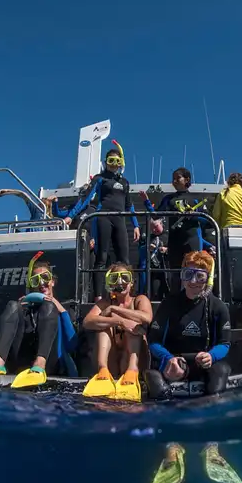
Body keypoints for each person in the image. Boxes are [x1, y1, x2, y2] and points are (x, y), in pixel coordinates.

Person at [145, 250, 242, 483]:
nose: (192, 281)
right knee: (152, 377)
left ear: (208, 279)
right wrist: (168, 359)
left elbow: (225, 343)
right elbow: (153, 340)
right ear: (181, 275)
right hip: (175, 362)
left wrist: (212, 355)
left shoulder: (218, 307)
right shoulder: (170, 303)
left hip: (204, 360)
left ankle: (212, 446)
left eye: (199, 276)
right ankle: (171, 446)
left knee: (221, 370)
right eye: (187, 274)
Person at [0, 258, 78, 389]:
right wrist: (19, 309)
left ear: (52, 282)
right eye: (36, 280)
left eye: (45, 278)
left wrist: (59, 309)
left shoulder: (63, 309)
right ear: (32, 285)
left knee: (48, 307)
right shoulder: (25, 309)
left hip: (50, 364)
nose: (41, 283)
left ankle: (39, 363)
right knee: (12, 305)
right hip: (21, 363)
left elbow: (72, 345)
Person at [62, 142, 141, 301]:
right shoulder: (100, 179)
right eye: (110, 161)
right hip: (103, 217)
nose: (113, 165)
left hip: (119, 219)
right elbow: (85, 199)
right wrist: (71, 215)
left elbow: (129, 205)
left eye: (116, 162)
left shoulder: (124, 182)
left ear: (120, 164)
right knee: (102, 257)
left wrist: (136, 225)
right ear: (105, 163)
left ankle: (127, 295)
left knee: (124, 260)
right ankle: (98, 296)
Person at [81, 262, 152, 401]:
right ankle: (103, 369)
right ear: (110, 283)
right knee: (102, 326)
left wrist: (115, 310)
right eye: (115, 278)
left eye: (125, 278)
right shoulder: (105, 303)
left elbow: (147, 317)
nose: (120, 282)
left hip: (134, 360)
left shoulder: (139, 300)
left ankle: (132, 369)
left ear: (131, 282)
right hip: (113, 362)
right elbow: (87, 322)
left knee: (135, 326)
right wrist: (119, 321)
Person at [155, 167, 215, 287]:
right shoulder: (168, 199)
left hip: (192, 239)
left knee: (195, 269)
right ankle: (176, 300)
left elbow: (208, 221)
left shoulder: (195, 200)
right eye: (173, 179)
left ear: (187, 179)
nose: (175, 181)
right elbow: (156, 215)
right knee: (176, 273)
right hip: (174, 241)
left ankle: (196, 296)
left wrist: (194, 216)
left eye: (178, 178)